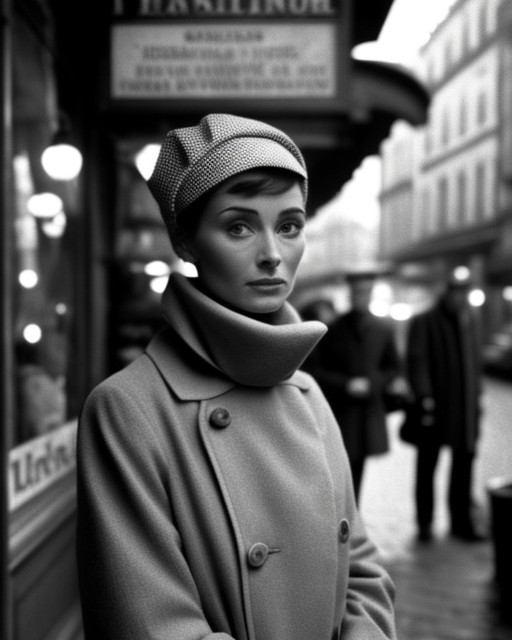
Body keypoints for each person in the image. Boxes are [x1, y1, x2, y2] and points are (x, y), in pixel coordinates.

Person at [76, 114, 397, 640]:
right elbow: (151, 627)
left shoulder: (308, 394)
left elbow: (361, 570)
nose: (273, 254)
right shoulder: (127, 409)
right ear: (185, 242)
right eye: (239, 226)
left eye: (290, 226)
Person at [306, 271, 409, 503]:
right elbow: (314, 371)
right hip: (339, 414)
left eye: (366, 291)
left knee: (357, 472)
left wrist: (374, 383)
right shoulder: (331, 330)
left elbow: (394, 367)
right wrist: (346, 384)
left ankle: (353, 525)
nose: (362, 296)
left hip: (366, 414)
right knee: (336, 471)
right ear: (350, 294)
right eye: (357, 291)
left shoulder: (384, 329)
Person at [405, 274, 484, 542]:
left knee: (464, 464)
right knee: (428, 465)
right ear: (447, 292)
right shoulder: (425, 321)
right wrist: (425, 397)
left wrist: (477, 398)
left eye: (464, 292)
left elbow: (475, 364)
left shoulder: (470, 321)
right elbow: (417, 362)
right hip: (434, 410)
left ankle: (460, 521)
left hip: (464, 408)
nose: (460, 297)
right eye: (455, 292)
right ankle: (425, 523)